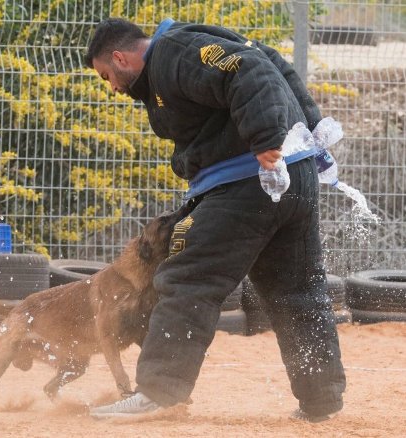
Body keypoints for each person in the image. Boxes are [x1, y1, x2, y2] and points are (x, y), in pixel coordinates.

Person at [85, 18, 346, 422]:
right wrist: (310, 131)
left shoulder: (173, 53)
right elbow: (273, 62)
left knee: (188, 278)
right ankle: (321, 399)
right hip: (294, 179)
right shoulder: (186, 51)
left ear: (120, 58)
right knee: (298, 291)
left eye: (107, 75)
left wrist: (264, 140)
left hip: (249, 180)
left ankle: (159, 391)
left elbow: (250, 69)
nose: (113, 87)